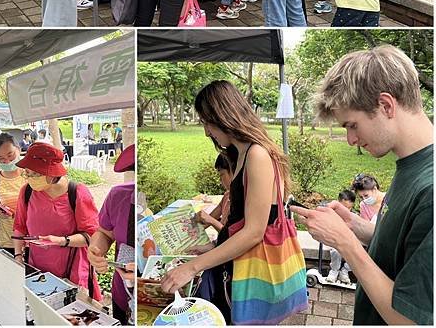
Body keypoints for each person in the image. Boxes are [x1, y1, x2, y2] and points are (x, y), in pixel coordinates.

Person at [291, 45, 433, 325]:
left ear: (386, 105)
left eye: (352, 125)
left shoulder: (431, 190)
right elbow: (402, 246)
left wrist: (345, 244)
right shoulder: (412, 164)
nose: (351, 140)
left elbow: (411, 320)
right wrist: (353, 225)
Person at [160, 80, 301, 325]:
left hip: (251, 271)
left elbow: (254, 232)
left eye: (207, 122)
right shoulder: (240, 153)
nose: (206, 132)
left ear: (224, 115)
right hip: (232, 267)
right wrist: (215, 245)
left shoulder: (257, 154)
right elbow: (239, 220)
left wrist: (191, 268)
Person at [13, 142, 102, 299]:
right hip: (37, 268)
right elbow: (19, 227)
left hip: (72, 271)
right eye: (26, 173)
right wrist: (18, 256)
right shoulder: (27, 191)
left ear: (51, 174)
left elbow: (91, 236)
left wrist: (60, 241)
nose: (28, 178)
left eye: (33, 174)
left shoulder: (77, 193)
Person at [88, 145, 136, 324]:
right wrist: (97, 249)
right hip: (122, 295)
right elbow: (105, 233)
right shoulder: (118, 196)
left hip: (159, 300)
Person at [0, 133, 26, 255]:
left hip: (32, 239)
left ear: (18, 150)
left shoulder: (30, 175)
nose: (7, 161)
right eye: (1, 159)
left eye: (11, 155)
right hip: (7, 240)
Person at [194, 153, 234, 233]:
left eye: (222, 174)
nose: (220, 181)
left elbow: (229, 235)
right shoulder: (227, 196)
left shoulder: (241, 203)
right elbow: (208, 219)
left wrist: (211, 221)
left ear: (234, 171)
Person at [326, 189, 356, 284]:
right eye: (344, 207)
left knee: (356, 252)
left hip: (347, 240)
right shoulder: (332, 214)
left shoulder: (352, 216)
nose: (346, 211)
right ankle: (334, 271)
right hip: (334, 239)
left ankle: (345, 271)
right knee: (336, 251)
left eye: (349, 208)